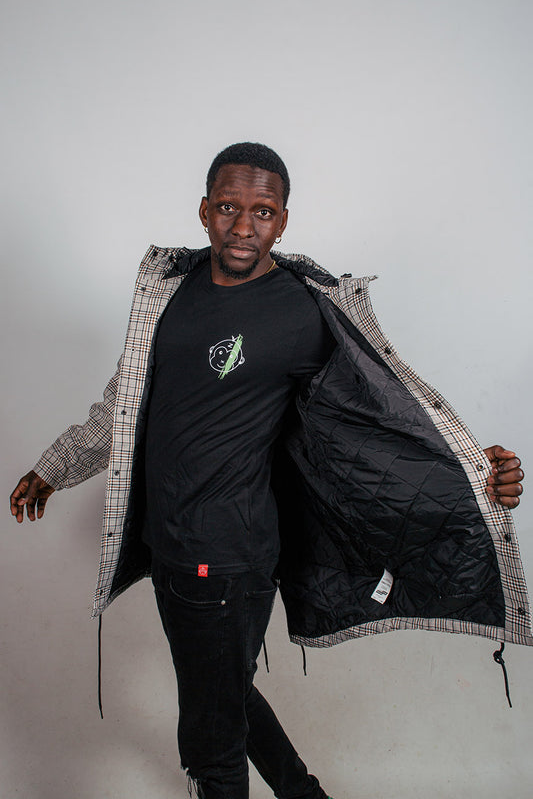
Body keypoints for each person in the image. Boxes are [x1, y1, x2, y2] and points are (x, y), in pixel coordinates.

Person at [10, 142, 529, 799]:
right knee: (225, 693)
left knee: (210, 743)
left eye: (262, 211)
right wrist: (54, 469)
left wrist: (477, 472)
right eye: (228, 207)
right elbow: (123, 403)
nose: (242, 226)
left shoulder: (303, 311)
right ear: (204, 211)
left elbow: (387, 412)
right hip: (167, 548)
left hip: (229, 556)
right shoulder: (168, 294)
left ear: (282, 221)